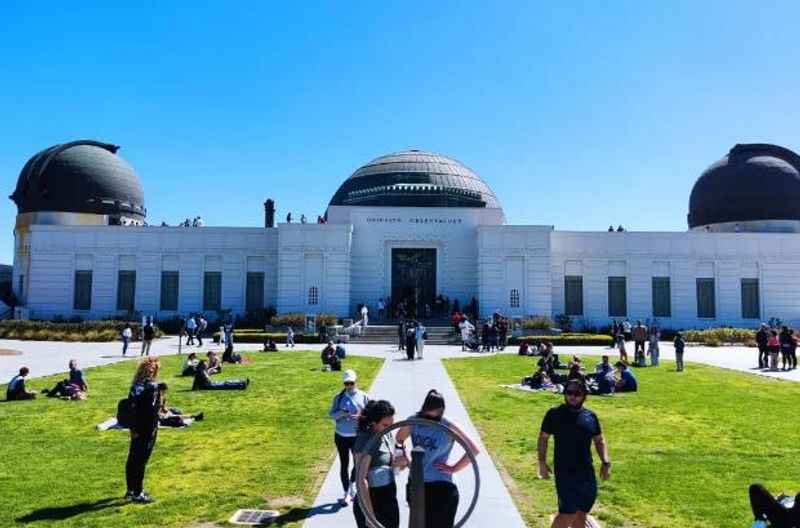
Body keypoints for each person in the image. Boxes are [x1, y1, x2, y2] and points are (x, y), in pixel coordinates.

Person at [395, 389, 480, 528]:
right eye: (427, 416)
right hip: (417, 484)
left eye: (434, 417)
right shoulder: (414, 421)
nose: (430, 420)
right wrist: (406, 459)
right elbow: (399, 439)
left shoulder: (448, 425)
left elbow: (473, 449)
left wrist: (454, 468)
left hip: (440, 486)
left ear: (441, 412)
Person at [538, 379, 611, 528]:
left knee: (582, 512)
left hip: (586, 471)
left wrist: (605, 462)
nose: (572, 396)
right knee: (567, 513)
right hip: (565, 472)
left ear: (584, 396)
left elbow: (599, 440)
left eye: (577, 393)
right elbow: (543, 438)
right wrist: (542, 463)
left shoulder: (590, 416)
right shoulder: (554, 414)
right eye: (569, 392)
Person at [353, 399, 402, 528]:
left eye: (391, 425)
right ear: (373, 422)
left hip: (388, 498)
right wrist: (369, 516)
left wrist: (401, 462)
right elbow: (361, 479)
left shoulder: (386, 435)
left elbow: (387, 465)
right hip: (372, 501)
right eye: (385, 425)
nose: (389, 428)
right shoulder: (365, 440)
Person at [329, 369, 370, 506]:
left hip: (357, 436)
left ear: (355, 382)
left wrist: (360, 417)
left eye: (351, 383)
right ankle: (346, 492)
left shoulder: (364, 396)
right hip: (341, 436)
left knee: (357, 464)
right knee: (344, 463)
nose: (349, 386)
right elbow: (332, 415)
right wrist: (341, 413)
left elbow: (370, 416)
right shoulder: (338, 397)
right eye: (346, 383)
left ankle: (352, 485)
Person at [125, 357, 161, 503]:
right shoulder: (149, 387)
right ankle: (137, 492)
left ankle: (131, 489)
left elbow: (134, 408)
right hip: (145, 427)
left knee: (133, 458)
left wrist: (133, 428)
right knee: (140, 460)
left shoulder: (136, 386)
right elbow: (148, 410)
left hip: (139, 427)